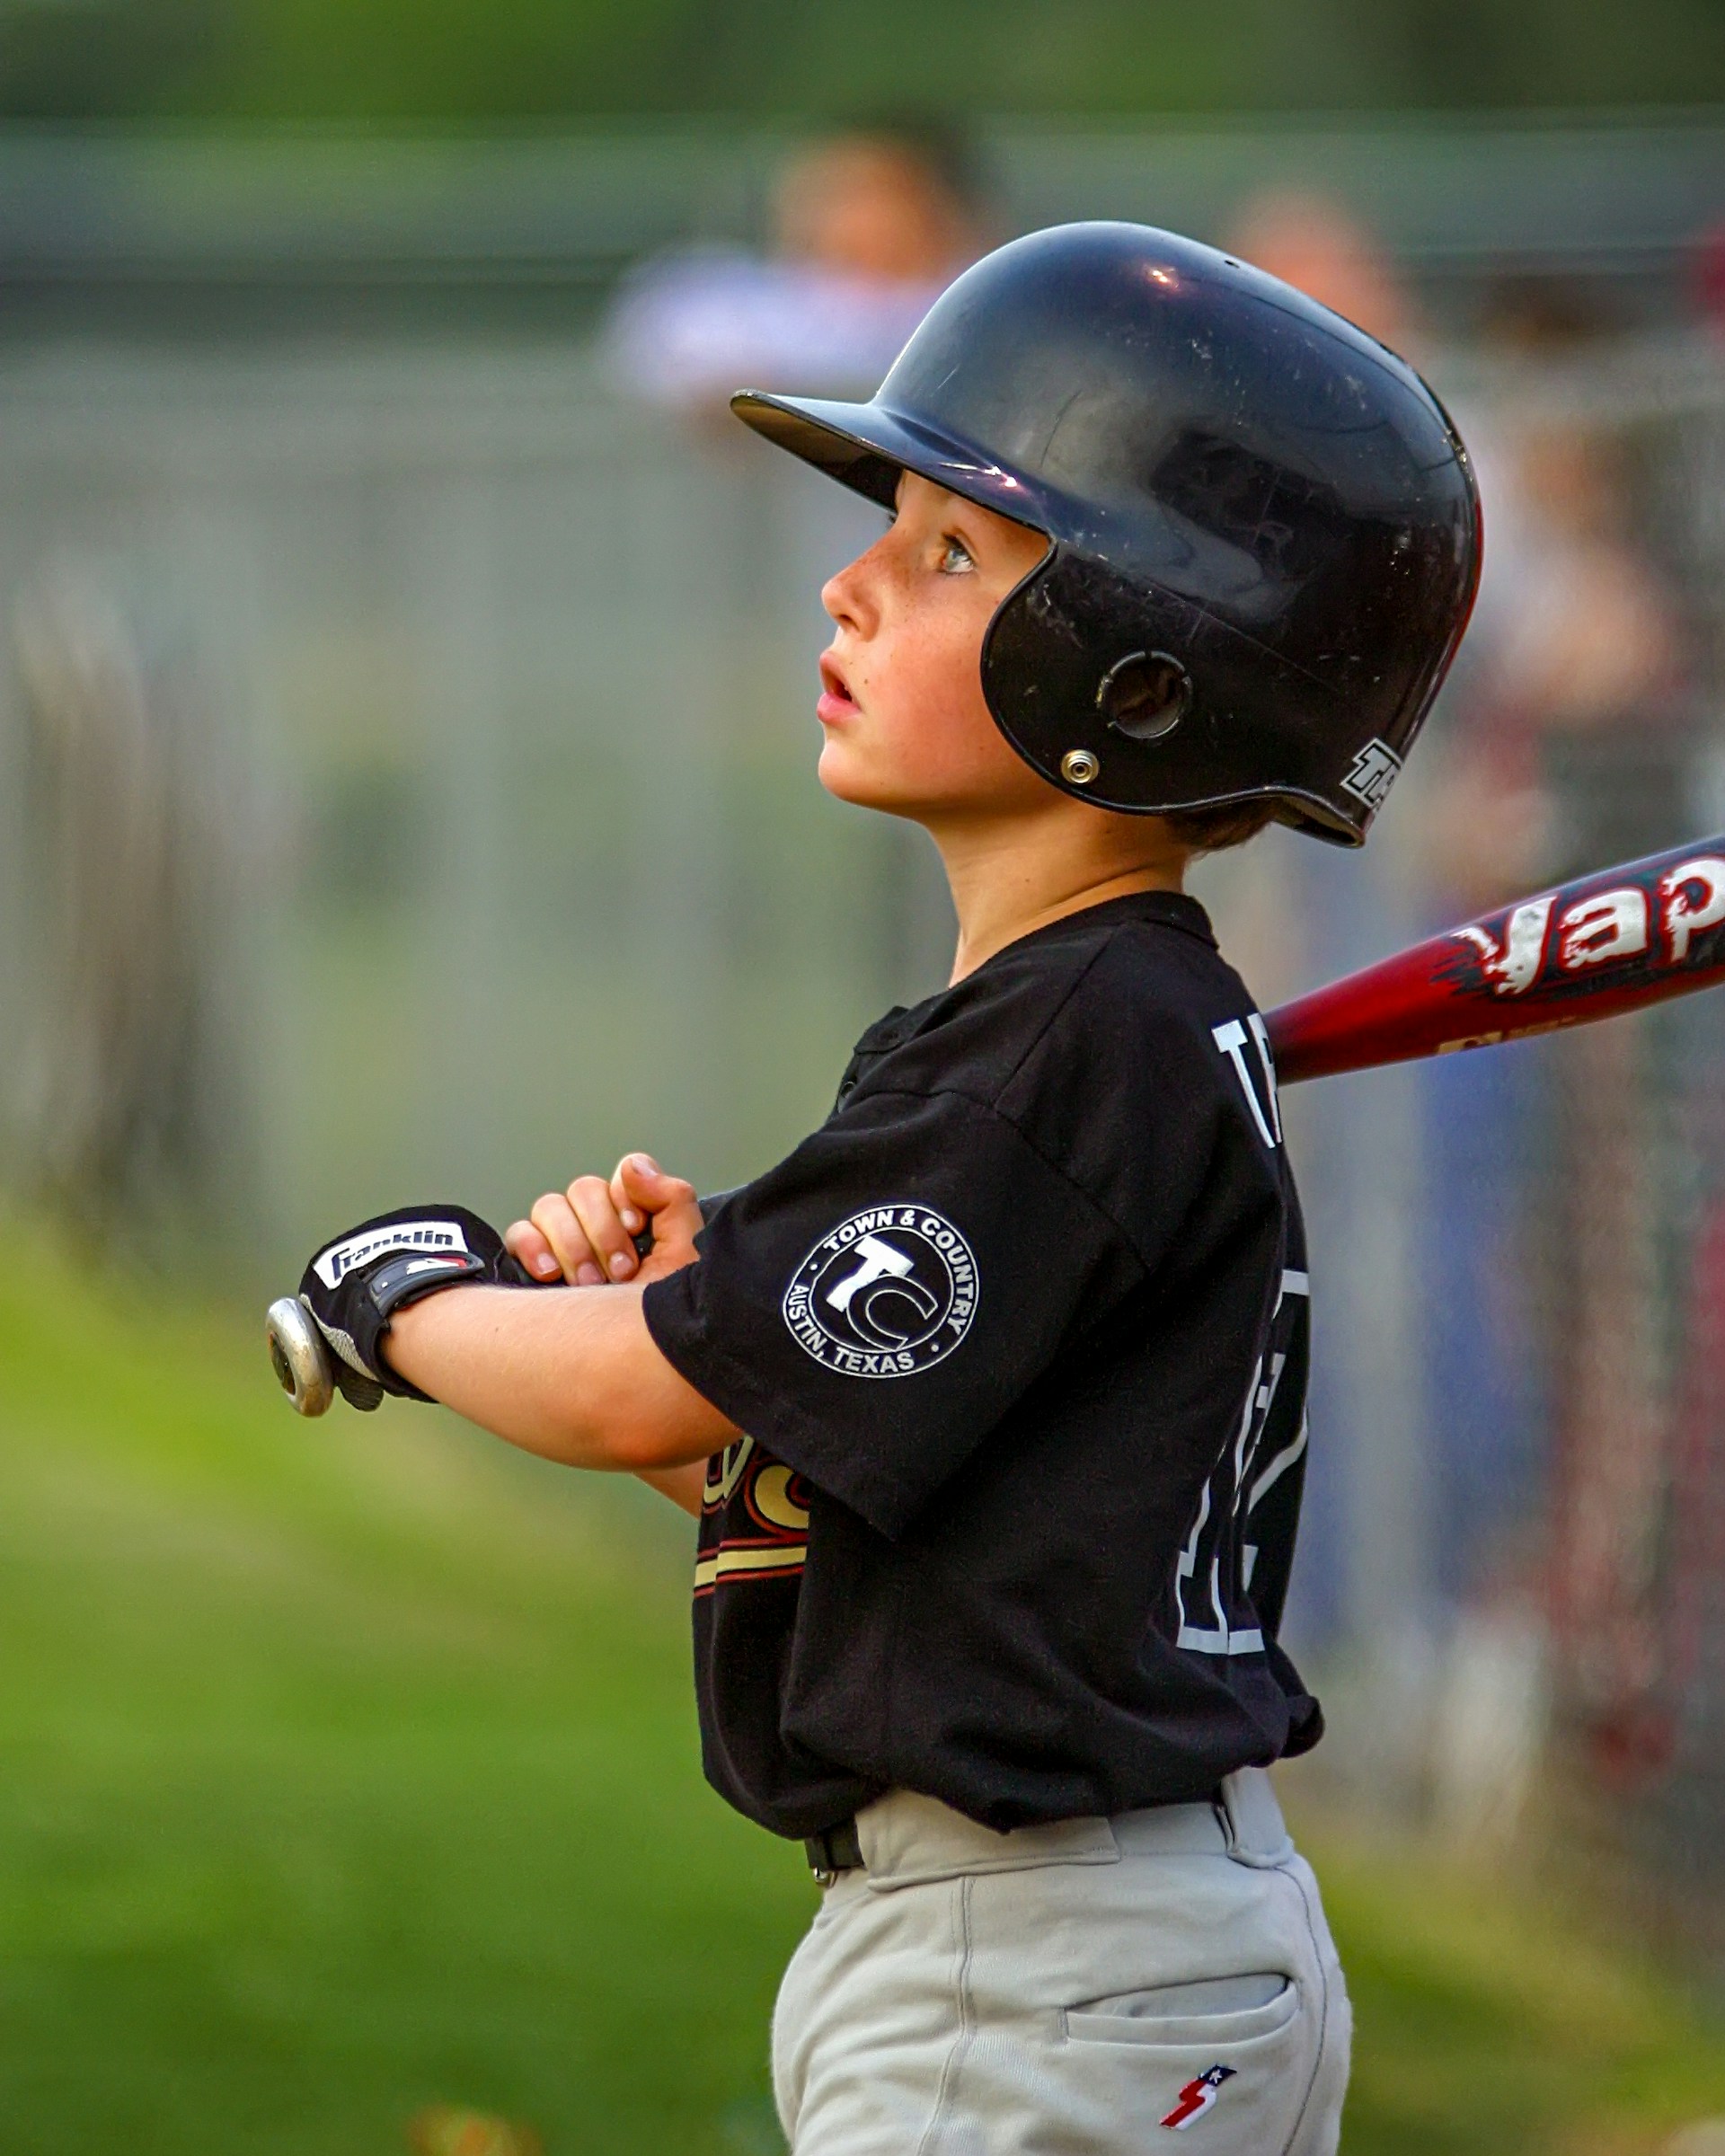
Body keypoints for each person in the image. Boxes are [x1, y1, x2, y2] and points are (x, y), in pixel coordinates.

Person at [288, 224, 1480, 2153]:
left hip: (1036, 1967)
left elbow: (616, 1398)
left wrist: (410, 1298)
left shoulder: (1058, 1052)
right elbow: (883, 1507)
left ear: (1135, 675)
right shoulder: (1086, 1034)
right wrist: (735, 1348)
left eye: (945, 553)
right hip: (1098, 1943)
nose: (848, 587)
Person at [601, 123, 982, 411]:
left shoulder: (968, 304)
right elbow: (662, 334)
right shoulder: (756, 296)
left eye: (863, 193)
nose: (832, 215)